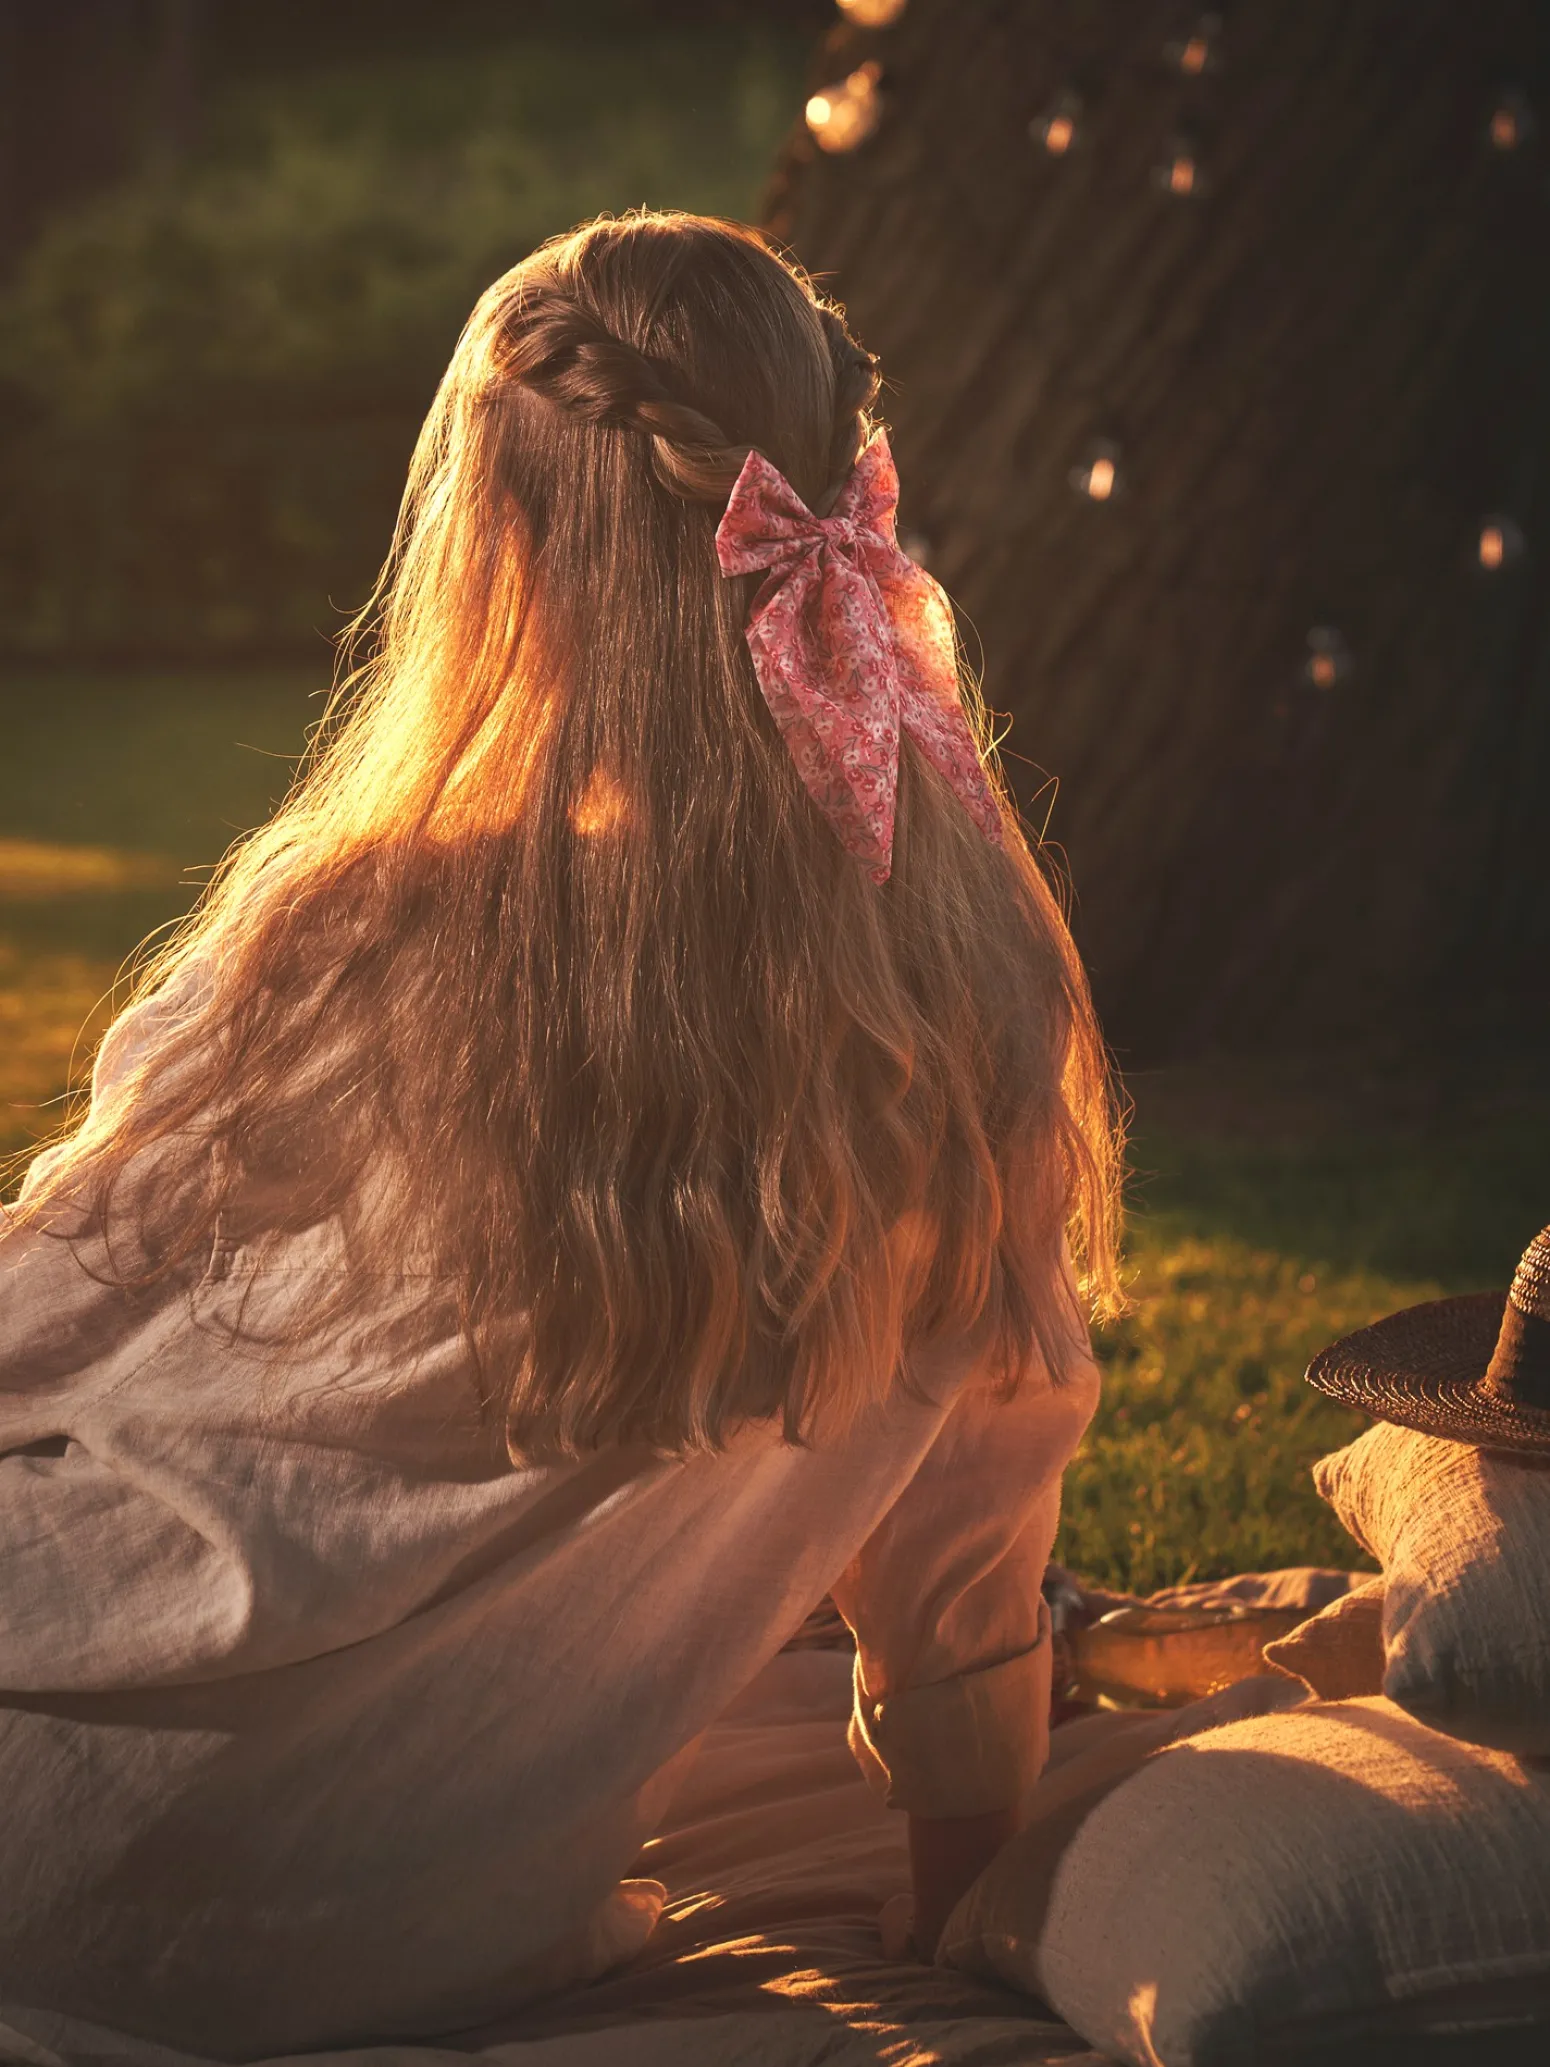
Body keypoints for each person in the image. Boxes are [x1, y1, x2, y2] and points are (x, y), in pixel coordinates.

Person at [0, 211, 1121, 2055]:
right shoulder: (971, 1005)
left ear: (496, 549)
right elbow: (965, 1540)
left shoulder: (344, 935)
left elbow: (54, 1320)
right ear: (841, 501)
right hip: (387, 1929)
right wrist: (956, 1903)